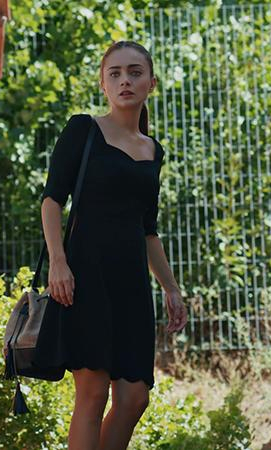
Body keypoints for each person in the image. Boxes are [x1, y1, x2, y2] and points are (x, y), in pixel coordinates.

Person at [35, 41, 188, 450]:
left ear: (151, 83)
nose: (125, 81)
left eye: (135, 72)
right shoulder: (83, 130)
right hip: (86, 275)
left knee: (135, 398)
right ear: (103, 83)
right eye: (115, 73)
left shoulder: (153, 151)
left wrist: (171, 288)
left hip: (132, 285)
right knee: (92, 394)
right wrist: (58, 262)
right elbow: (52, 200)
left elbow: (148, 230)